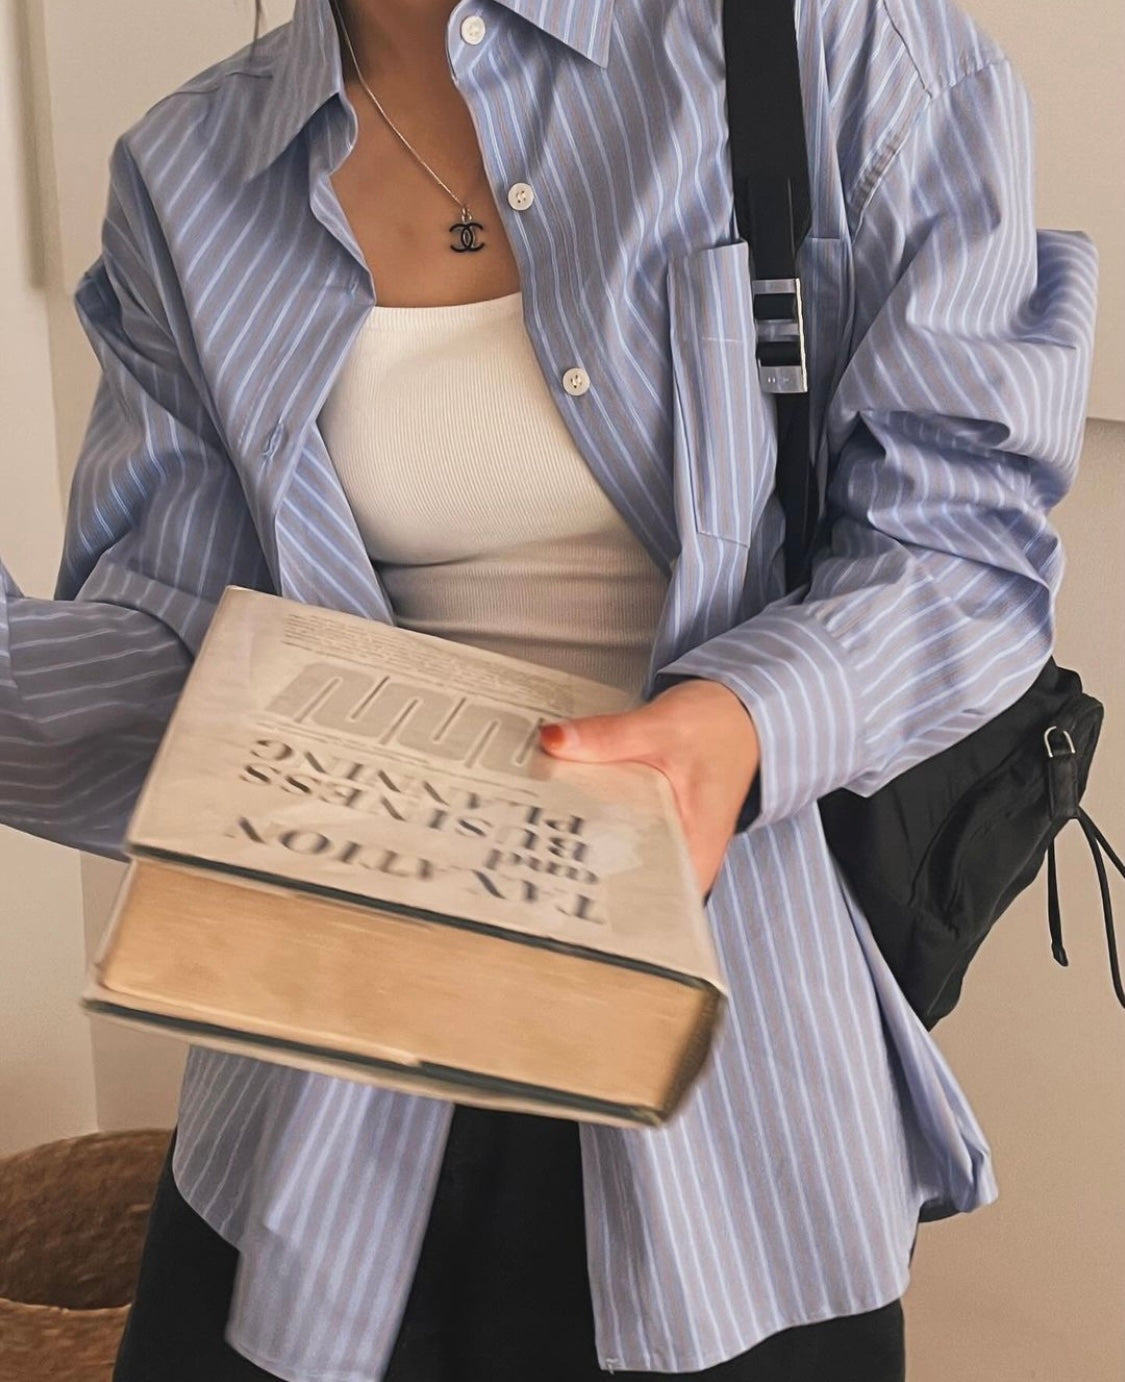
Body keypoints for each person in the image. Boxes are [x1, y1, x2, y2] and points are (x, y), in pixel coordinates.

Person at [0, 0, 1096, 1378]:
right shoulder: (193, 166)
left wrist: (738, 723)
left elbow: (964, 545)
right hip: (317, 1104)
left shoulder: (847, 49)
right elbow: (181, 666)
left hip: (722, 1102)